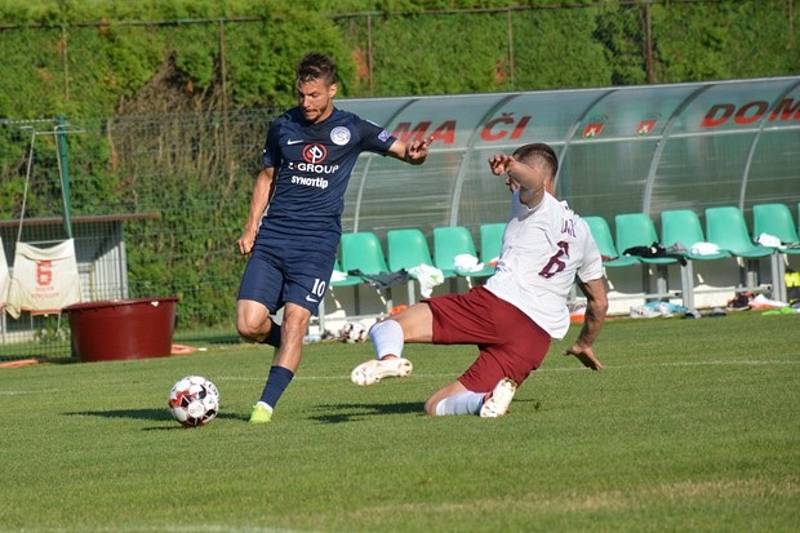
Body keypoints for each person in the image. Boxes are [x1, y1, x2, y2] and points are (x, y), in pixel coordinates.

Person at [237, 52, 431, 424]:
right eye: (301, 95)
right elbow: (266, 177)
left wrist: (416, 154)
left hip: (316, 244)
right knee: (249, 324)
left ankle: (264, 406)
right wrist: (251, 228)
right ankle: (289, 347)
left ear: (332, 90)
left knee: (296, 319)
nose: (306, 103)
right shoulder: (282, 127)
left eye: (314, 95)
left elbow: (403, 150)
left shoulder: (353, 128)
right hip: (274, 237)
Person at [351, 143, 608, 417]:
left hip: (500, 308)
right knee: (436, 406)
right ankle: (485, 400)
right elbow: (599, 302)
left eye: (514, 176)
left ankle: (389, 359)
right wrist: (584, 344)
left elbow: (533, 181)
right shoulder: (583, 231)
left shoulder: (536, 202)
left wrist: (512, 166)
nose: (509, 182)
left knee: (389, 327)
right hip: (535, 339)